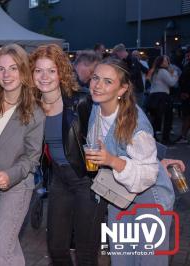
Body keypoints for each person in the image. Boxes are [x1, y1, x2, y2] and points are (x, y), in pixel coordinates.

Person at [85, 57, 175, 265]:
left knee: (149, 260)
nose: (98, 85)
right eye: (96, 78)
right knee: (121, 259)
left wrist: (111, 160)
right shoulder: (96, 109)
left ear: (122, 89)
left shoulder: (136, 123)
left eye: (108, 81)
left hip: (151, 197)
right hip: (120, 195)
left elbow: (148, 173)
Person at [29, 44, 107, 266]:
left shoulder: (81, 100)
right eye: (38, 70)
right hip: (58, 180)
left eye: (51, 71)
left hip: (87, 179)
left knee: (85, 250)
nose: (44, 77)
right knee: (56, 247)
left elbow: (119, 120)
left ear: (61, 72)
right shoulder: (33, 105)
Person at [0, 43, 45, 265]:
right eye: (1, 68)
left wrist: (10, 175)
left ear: (24, 71)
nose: (6, 74)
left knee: (1, 251)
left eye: (13, 68)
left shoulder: (34, 110)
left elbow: (32, 158)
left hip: (17, 185)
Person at [147, 55, 178, 144]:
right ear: (161, 62)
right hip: (163, 96)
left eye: (168, 61)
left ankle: (153, 138)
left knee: (156, 118)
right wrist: (175, 74)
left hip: (153, 96)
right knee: (168, 118)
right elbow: (172, 83)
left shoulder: (154, 71)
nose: (168, 63)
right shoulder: (163, 71)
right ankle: (165, 139)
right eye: (165, 61)